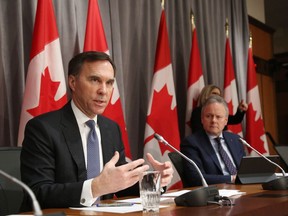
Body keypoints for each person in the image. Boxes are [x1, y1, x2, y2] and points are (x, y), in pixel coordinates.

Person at [20, 51, 173, 211]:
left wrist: (154, 180)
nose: (104, 91)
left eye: (109, 83)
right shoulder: (42, 128)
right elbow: (37, 193)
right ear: (72, 82)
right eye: (95, 80)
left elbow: (121, 185)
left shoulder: (111, 129)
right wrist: (94, 188)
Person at [181, 95, 245, 186]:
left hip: (242, 189)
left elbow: (245, 170)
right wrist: (232, 178)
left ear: (226, 121)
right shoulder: (191, 143)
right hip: (215, 192)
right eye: (209, 116)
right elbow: (195, 177)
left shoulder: (235, 139)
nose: (214, 120)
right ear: (202, 119)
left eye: (218, 117)